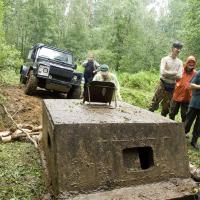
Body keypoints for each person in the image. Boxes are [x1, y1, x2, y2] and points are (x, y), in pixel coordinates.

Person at [149, 41, 183, 116]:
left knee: (166, 108)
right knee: (154, 104)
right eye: (177, 48)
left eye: (180, 48)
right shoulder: (165, 59)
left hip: (171, 86)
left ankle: (162, 125)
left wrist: (167, 72)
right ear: (172, 48)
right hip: (162, 83)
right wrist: (174, 73)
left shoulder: (180, 62)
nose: (178, 50)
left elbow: (179, 76)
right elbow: (162, 73)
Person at [169, 56, 197, 122]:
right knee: (172, 113)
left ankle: (183, 130)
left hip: (187, 98)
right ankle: (170, 126)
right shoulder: (180, 70)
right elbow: (172, 78)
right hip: (176, 96)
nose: (191, 64)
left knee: (185, 115)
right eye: (189, 62)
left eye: (193, 62)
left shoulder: (196, 74)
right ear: (186, 63)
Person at [185, 69, 200, 149]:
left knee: (199, 125)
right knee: (188, 120)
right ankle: (182, 135)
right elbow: (190, 85)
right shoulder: (199, 73)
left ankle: (194, 141)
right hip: (195, 102)